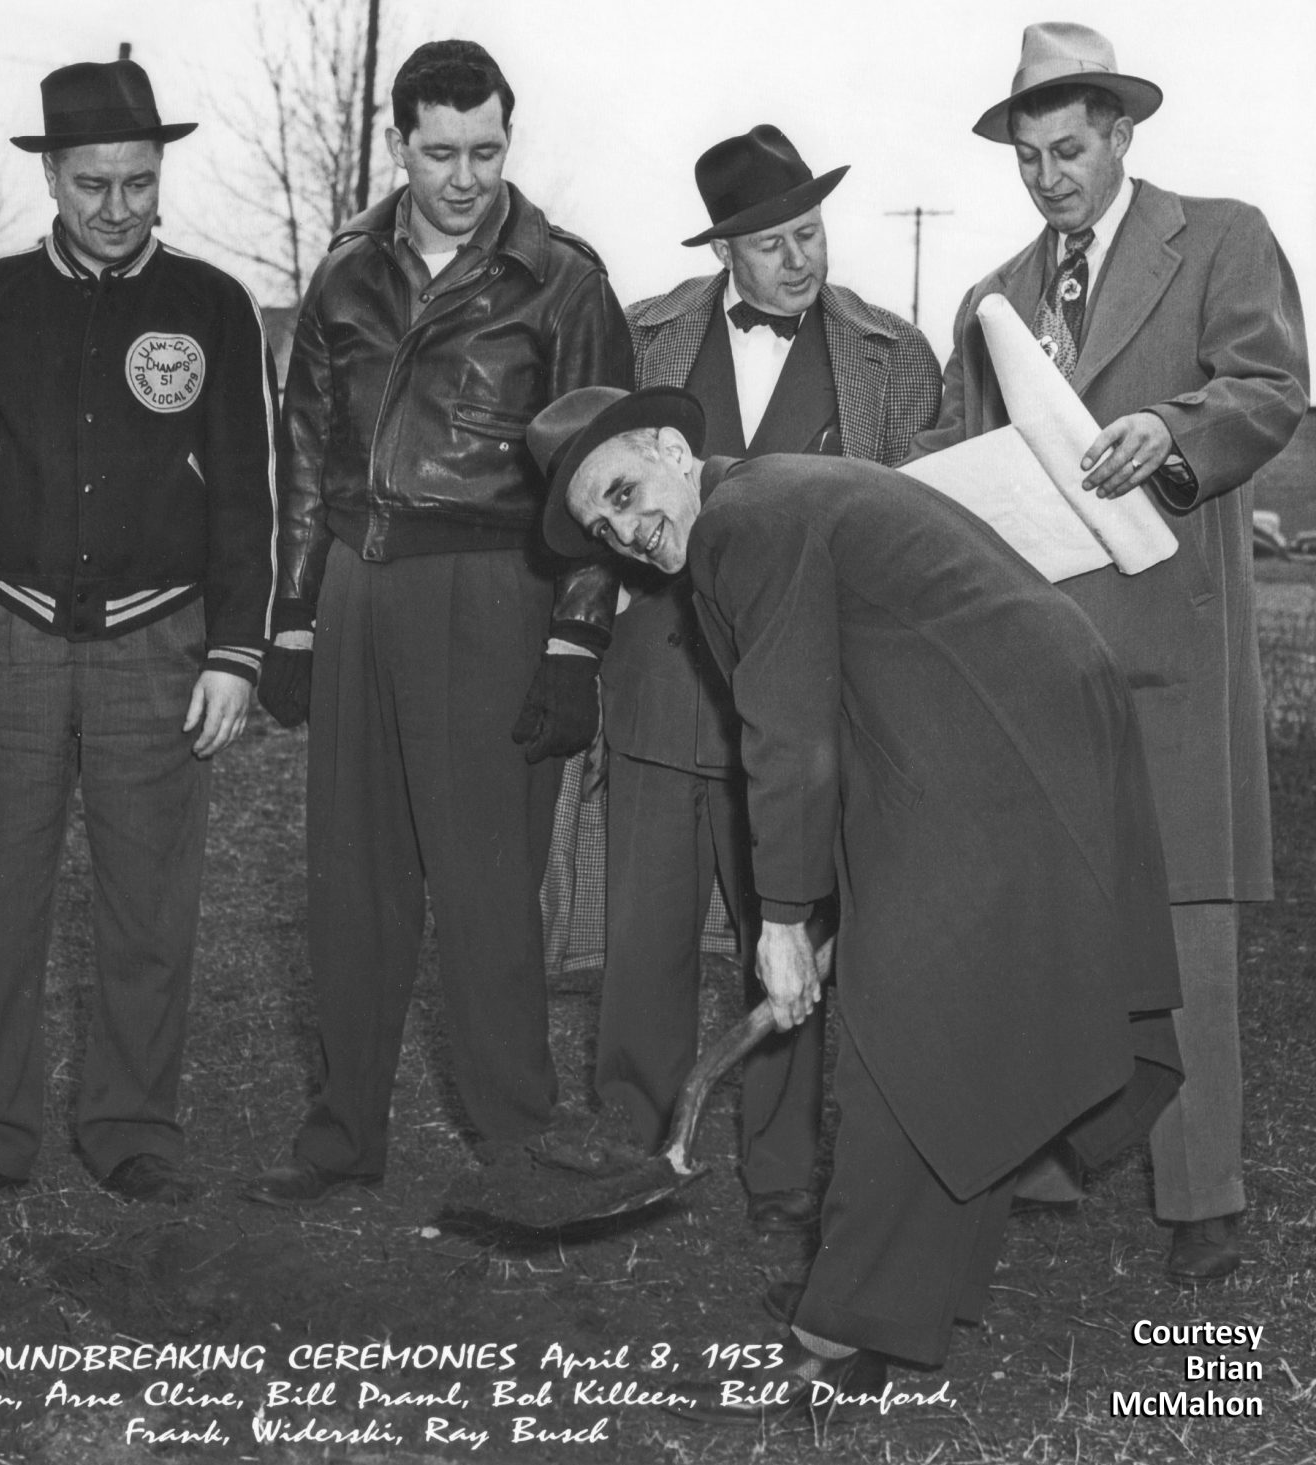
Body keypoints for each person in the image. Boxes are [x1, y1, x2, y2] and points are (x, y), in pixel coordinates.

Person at [533, 383, 1181, 1418]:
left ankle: (852, 1325)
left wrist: (785, 918)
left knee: (901, 1027)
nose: (625, 528)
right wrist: (831, 906)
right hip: (990, 717)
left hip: (999, 731)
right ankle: (896, 1294)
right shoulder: (753, 504)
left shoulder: (742, 520)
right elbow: (830, 705)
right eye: (601, 527)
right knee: (941, 1017)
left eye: (622, 489)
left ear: (666, 443)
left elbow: (788, 732)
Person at [908, 22, 1308, 1283]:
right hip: (1041, 658)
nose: (1047, 178)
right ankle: (1048, 1157)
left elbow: (1271, 384)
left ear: (1123, 134)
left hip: (1169, 644)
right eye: (1027, 157)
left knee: (1185, 919)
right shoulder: (993, 299)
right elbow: (957, 459)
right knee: (1051, 910)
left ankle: (1205, 1197)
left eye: (1067, 150)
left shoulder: (1223, 236)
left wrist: (1168, 431)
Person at [247, 40, 632, 1206]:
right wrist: (296, 615)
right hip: (363, 584)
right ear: (400, 145)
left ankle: (519, 1141)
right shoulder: (346, 272)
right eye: (440, 152)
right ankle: (341, 1134)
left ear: (508, 141)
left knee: (482, 885)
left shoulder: (562, 281)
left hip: (493, 591)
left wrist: (574, 636)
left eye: (487, 150)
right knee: (352, 875)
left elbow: (605, 477)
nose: (465, 177)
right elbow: (307, 448)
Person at [0, 59, 276, 1210]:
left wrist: (235, 649)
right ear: (50, 178)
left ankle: (132, 1123)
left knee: (148, 894)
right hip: (5, 630)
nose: (117, 207)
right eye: (92, 184)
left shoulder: (214, 306)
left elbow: (248, 495)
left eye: (138, 181)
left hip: (157, 642)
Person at [599, 125, 940, 1233]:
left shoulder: (894, 356)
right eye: (773, 242)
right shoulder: (641, 339)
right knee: (642, 936)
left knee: (786, 936)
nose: (800, 258)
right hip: (659, 684)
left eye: (811, 231)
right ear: (725, 254)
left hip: (803, 706)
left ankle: (782, 1170)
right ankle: (633, 1144)